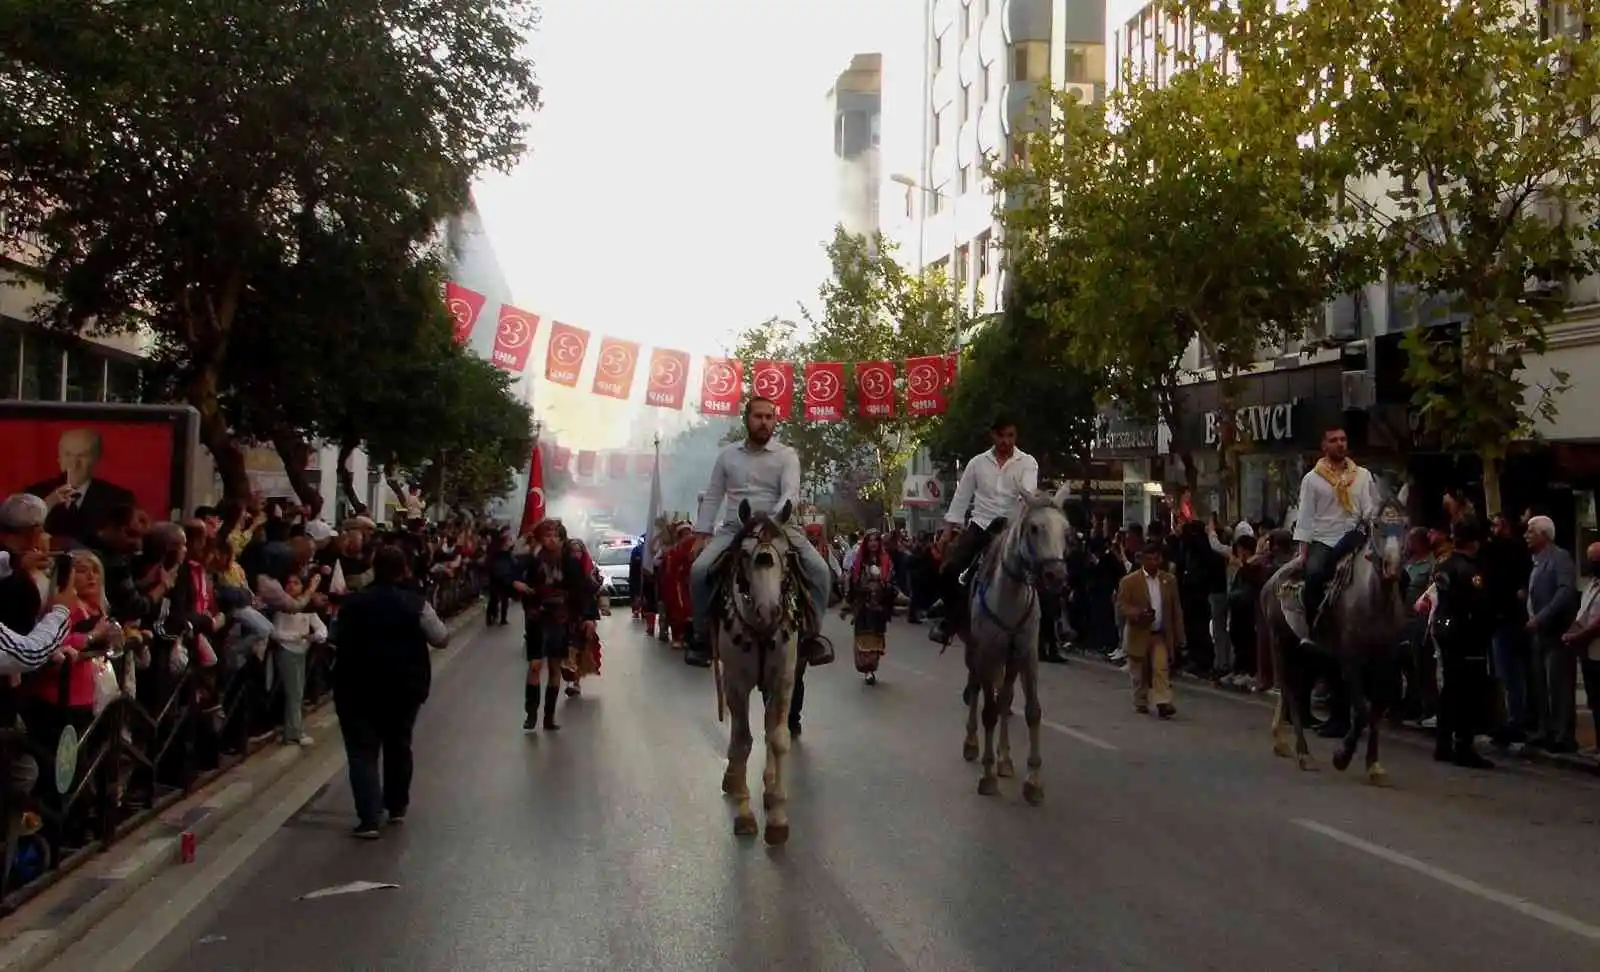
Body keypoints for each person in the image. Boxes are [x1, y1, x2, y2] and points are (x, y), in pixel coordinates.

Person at [689, 396, 835, 667]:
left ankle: (812, 636)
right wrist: (702, 533)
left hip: (779, 527)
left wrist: (772, 522)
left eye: (769, 417)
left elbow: (790, 494)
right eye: (758, 416)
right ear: (747, 419)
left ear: (775, 421)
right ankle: (700, 637)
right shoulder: (727, 456)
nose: (764, 422)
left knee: (820, 571)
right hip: (735, 529)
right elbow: (713, 497)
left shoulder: (786, 455)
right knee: (699, 570)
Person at [331, 545, 451, 838]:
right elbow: (441, 638)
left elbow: (334, 635)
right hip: (404, 688)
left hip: (356, 687)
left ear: (373, 565)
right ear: (404, 570)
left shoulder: (353, 603)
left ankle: (369, 819)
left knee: (362, 752)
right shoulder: (417, 604)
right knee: (398, 746)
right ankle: (396, 806)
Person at [929, 414, 1040, 645]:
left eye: (1010, 435)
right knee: (950, 570)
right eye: (1001, 436)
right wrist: (947, 533)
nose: (1006, 441)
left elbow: (1027, 497)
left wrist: (1019, 522)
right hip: (980, 526)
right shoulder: (977, 463)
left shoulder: (1028, 463)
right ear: (993, 435)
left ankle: (1049, 633)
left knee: (1044, 572)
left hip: (1012, 529)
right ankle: (950, 620)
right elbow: (961, 499)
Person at [1286, 425, 1381, 650]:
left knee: (1393, 573)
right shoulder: (1312, 479)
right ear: (1324, 446)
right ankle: (1313, 632)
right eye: (1334, 440)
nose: (1340, 444)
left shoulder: (1363, 475)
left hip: (1357, 536)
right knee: (1314, 575)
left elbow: (1372, 508)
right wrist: (1303, 552)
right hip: (1324, 539)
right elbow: (1306, 516)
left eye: (1343, 439)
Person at [512, 518, 598, 730]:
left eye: (554, 536)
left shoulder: (570, 564)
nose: (550, 540)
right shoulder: (532, 561)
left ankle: (548, 717)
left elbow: (584, 591)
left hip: (559, 620)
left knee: (554, 669)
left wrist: (588, 616)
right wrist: (517, 583)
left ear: (561, 539)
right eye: (546, 536)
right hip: (536, 619)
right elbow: (504, 568)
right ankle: (531, 713)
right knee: (534, 665)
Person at [1430, 516, 1495, 769]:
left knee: (1449, 689)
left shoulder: (1444, 564)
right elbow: (1479, 605)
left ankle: (1443, 742)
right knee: (1467, 692)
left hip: (1445, 629)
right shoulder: (1470, 569)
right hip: (1466, 635)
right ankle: (1464, 745)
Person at [24, 428, 137, 545]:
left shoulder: (118, 499)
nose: (74, 463)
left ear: (96, 459)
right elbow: (21, 534)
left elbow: (123, 545)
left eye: (82, 456)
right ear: (59, 458)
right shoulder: (35, 494)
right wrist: (47, 505)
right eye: (68, 454)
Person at [1116, 541, 1185, 719]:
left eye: (1157, 558)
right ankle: (1140, 700)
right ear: (1142, 560)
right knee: (1139, 672)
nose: (1155, 562)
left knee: (1160, 667)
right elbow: (1121, 606)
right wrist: (1137, 613)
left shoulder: (1169, 580)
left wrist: (1180, 635)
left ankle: (1163, 702)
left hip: (1160, 634)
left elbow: (1176, 609)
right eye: (1150, 559)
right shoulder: (1129, 581)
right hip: (1138, 632)